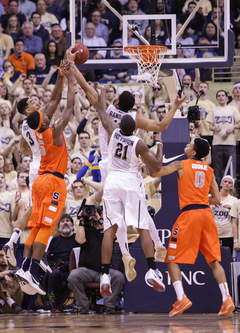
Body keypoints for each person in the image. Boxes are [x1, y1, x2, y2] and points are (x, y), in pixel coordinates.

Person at [150, 138, 234, 317]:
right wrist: (201, 199)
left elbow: (156, 173)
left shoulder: (181, 164)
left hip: (190, 215)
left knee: (171, 259)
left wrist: (149, 158)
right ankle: (227, 299)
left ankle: (181, 298)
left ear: (193, 153)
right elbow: (217, 200)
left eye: (189, 145)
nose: (186, 146)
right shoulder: (209, 170)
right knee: (213, 260)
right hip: (207, 215)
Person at [98, 86, 166, 295]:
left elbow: (101, 111)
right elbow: (155, 167)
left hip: (111, 182)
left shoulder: (113, 131)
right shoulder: (139, 144)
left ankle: (105, 274)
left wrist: (102, 94)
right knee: (142, 227)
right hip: (129, 183)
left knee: (109, 231)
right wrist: (160, 147)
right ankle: (152, 270)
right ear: (135, 128)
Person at [15, 61, 74, 296]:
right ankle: (31, 270)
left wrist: (60, 77)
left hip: (39, 179)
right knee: (47, 227)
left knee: (37, 226)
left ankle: (26, 266)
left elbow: (52, 103)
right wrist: (70, 80)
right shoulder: (55, 130)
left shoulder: (33, 127)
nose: (46, 113)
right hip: (52, 180)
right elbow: (66, 106)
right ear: (39, 117)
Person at [3, 62, 67, 268]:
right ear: (27, 110)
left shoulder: (25, 124)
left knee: (39, 214)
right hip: (44, 168)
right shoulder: (38, 119)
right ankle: (15, 245)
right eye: (31, 101)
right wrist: (62, 76)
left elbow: (24, 148)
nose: (35, 100)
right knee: (39, 214)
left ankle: (33, 253)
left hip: (38, 166)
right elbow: (56, 100)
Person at [67, 205, 124, 314]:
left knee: (119, 276)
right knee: (73, 276)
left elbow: (116, 236)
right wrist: (82, 220)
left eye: (98, 212)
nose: (94, 214)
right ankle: (82, 306)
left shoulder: (108, 231)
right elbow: (79, 240)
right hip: (86, 270)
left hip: (105, 272)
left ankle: (109, 306)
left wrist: (100, 219)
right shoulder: (86, 229)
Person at [206, 90, 240, 189]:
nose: (221, 97)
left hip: (230, 143)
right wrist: (214, 128)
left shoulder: (233, 109)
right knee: (217, 170)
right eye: (219, 96)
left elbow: (239, 124)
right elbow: (210, 126)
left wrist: (233, 127)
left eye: (223, 95)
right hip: (217, 143)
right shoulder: (213, 110)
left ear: (226, 97)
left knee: (231, 170)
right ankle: (218, 191)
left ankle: (233, 192)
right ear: (217, 98)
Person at [46, 214, 79, 311]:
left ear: (72, 225)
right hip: (58, 268)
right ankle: (58, 302)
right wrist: (54, 267)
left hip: (74, 266)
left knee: (77, 274)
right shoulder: (54, 240)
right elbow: (49, 257)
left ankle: (79, 302)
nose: (65, 223)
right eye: (62, 221)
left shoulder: (77, 238)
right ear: (59, 225)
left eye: (68, 221)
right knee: (55, 274)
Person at [211, 175, 238, 255]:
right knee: (213, 257)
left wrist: (231, 208)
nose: (227, 184)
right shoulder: (212, 197)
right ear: (221, 183)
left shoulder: (234, 200)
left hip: (228, 233)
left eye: (229, 183)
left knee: (227, 258)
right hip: (213, 232)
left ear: (231, 186)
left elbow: (237, 218)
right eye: (225, 181)